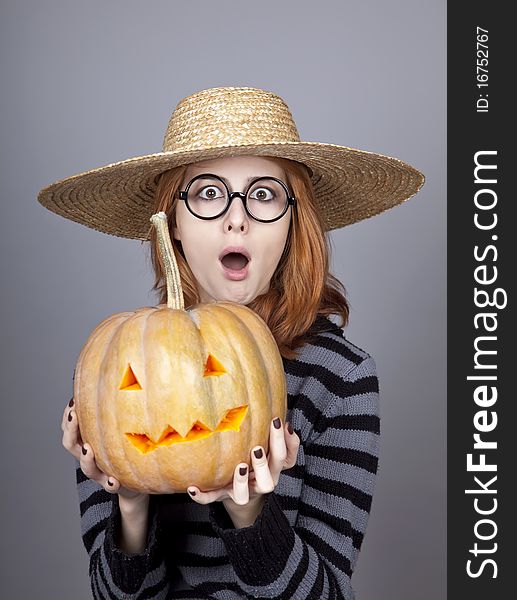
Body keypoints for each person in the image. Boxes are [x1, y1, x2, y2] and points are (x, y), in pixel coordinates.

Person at [39, 86, 424, 599]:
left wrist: (250, 515)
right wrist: (130, 503)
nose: (235, 217)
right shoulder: (115, 371)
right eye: (208, 193)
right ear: (171, 223)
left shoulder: (342, 376)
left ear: (293, 221)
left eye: (263, 194)